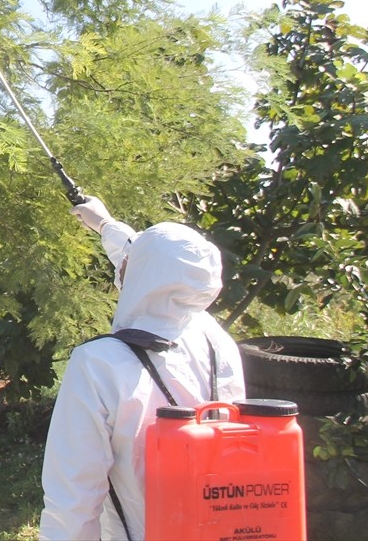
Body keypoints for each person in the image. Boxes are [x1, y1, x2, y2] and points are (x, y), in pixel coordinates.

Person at [39, 196, 245, 541]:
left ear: (141, 273)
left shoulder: (99, 365)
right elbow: (162, 269)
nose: (123, 267)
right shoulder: (217, 342)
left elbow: (73, 499)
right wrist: (104, 224)